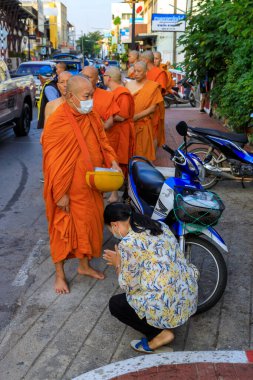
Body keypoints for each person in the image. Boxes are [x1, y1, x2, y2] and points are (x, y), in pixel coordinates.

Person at [42, 75, 120, 294]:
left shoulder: (92, 116)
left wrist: (112, 160)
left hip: (89, 185)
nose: (91, 100)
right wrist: (60, 193)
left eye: (92, 94)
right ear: (69, 96)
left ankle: (84, 266)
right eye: (86, 96)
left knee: (88, 225)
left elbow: (103, 142)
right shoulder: (58, 121)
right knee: (62, 230)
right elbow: (52, 161)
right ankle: (60, 275)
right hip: (66, 190)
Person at [103, 203, 199, 353]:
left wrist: (118, 264)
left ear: (115, 225)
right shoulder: (158, 225)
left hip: (167, 298)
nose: (113, 233)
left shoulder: (128, 243)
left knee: (116, 304)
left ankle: (160, 334)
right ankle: (164, 321)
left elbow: (128, 285)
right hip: (187, 291)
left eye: (110, 230)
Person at [103, 66, 135, 202]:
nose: (103, 78)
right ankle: (114, 191)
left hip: (121, 132)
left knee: (120, 161)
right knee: (112, 160)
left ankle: (122, 193)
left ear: (109, 78)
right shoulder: (112, 92)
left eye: (104, 76)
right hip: (113, 131)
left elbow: (122, 116)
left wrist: (103, 117)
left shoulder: (122, 94)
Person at [126, 61, 163, 161]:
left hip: (143, 125)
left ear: (146, 72)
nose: (136, 73)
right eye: (135, 71)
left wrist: (136, 117)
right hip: (129, 125)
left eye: (139, 71)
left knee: (142, 156)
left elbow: (152, 108)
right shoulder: (128, 85)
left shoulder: (152, 86)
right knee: (129, 155)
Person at [140, 51, 167, 148]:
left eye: (140, 59)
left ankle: (152, 158)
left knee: (154, 133)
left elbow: (159, 93)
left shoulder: (160, 73)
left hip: (154, 108)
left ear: (145, 60)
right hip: (143, 107)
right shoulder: (143, 73)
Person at [81, 66, 120, 131]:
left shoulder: (106, 96)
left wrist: (96, 130)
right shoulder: (74, 95)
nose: (85, 80)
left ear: (97, 80)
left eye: (89, 77)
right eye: (83, 77)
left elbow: (109, 122)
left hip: (100, 135)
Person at [37, 62, 67, 130]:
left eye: (57, 68)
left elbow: (55, 107)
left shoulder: (49, 87)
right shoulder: (52, 85)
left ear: (41, 76)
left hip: (55, 123)